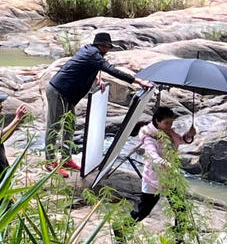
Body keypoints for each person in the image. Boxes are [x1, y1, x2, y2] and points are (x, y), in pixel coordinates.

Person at [45, 31, 152, 176]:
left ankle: (66, 158)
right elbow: (112, 71)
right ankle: (50, 162)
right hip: (58, 91)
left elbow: (84, 68)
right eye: (108, 47)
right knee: (55, 126)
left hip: (67, 94)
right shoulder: (94, 55)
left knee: (69, 125)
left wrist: (97, 81)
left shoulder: (90, 52)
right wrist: (137, 81)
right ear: (102, 45)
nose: (108, 50)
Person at [131, 105, 195, 224]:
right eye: (166, 123)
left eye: (171, 123)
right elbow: (152, 153)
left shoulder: (169, 132)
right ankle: (121, 228)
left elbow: (180, 140)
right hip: (154, 178)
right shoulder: (149, 136)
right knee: (143, 211)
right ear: (157, 121)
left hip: (170, 177)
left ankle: (179, 240)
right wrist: (162, 161)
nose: (169, 126)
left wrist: (189, 135)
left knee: (181, 210)